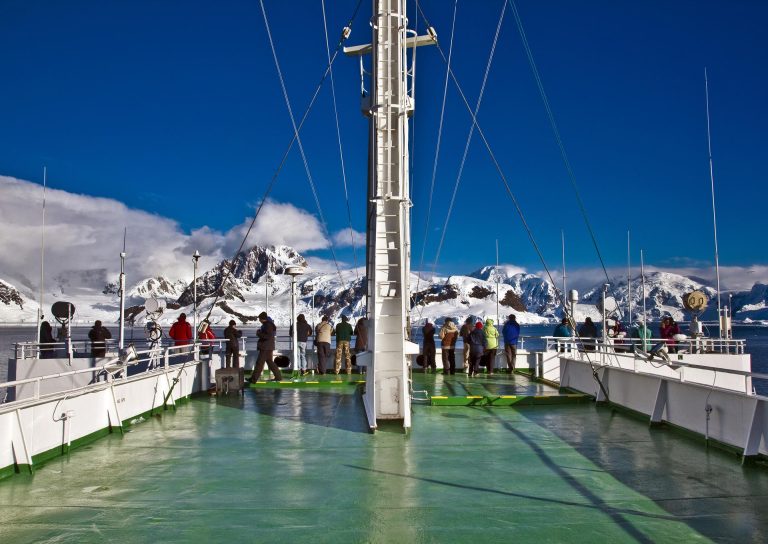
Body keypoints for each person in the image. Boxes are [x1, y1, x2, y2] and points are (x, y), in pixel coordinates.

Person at [251, 312, 282, 383]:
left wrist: (259, 333)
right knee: (270, 362)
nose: (259, 320)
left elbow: (267, 336)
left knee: (259, 363)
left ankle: (253, 379)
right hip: (268, 346)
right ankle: (278, 377)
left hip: (265, 347)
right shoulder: (268, 325)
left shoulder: (267, 325)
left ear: (262, 319)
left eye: (259, 319)